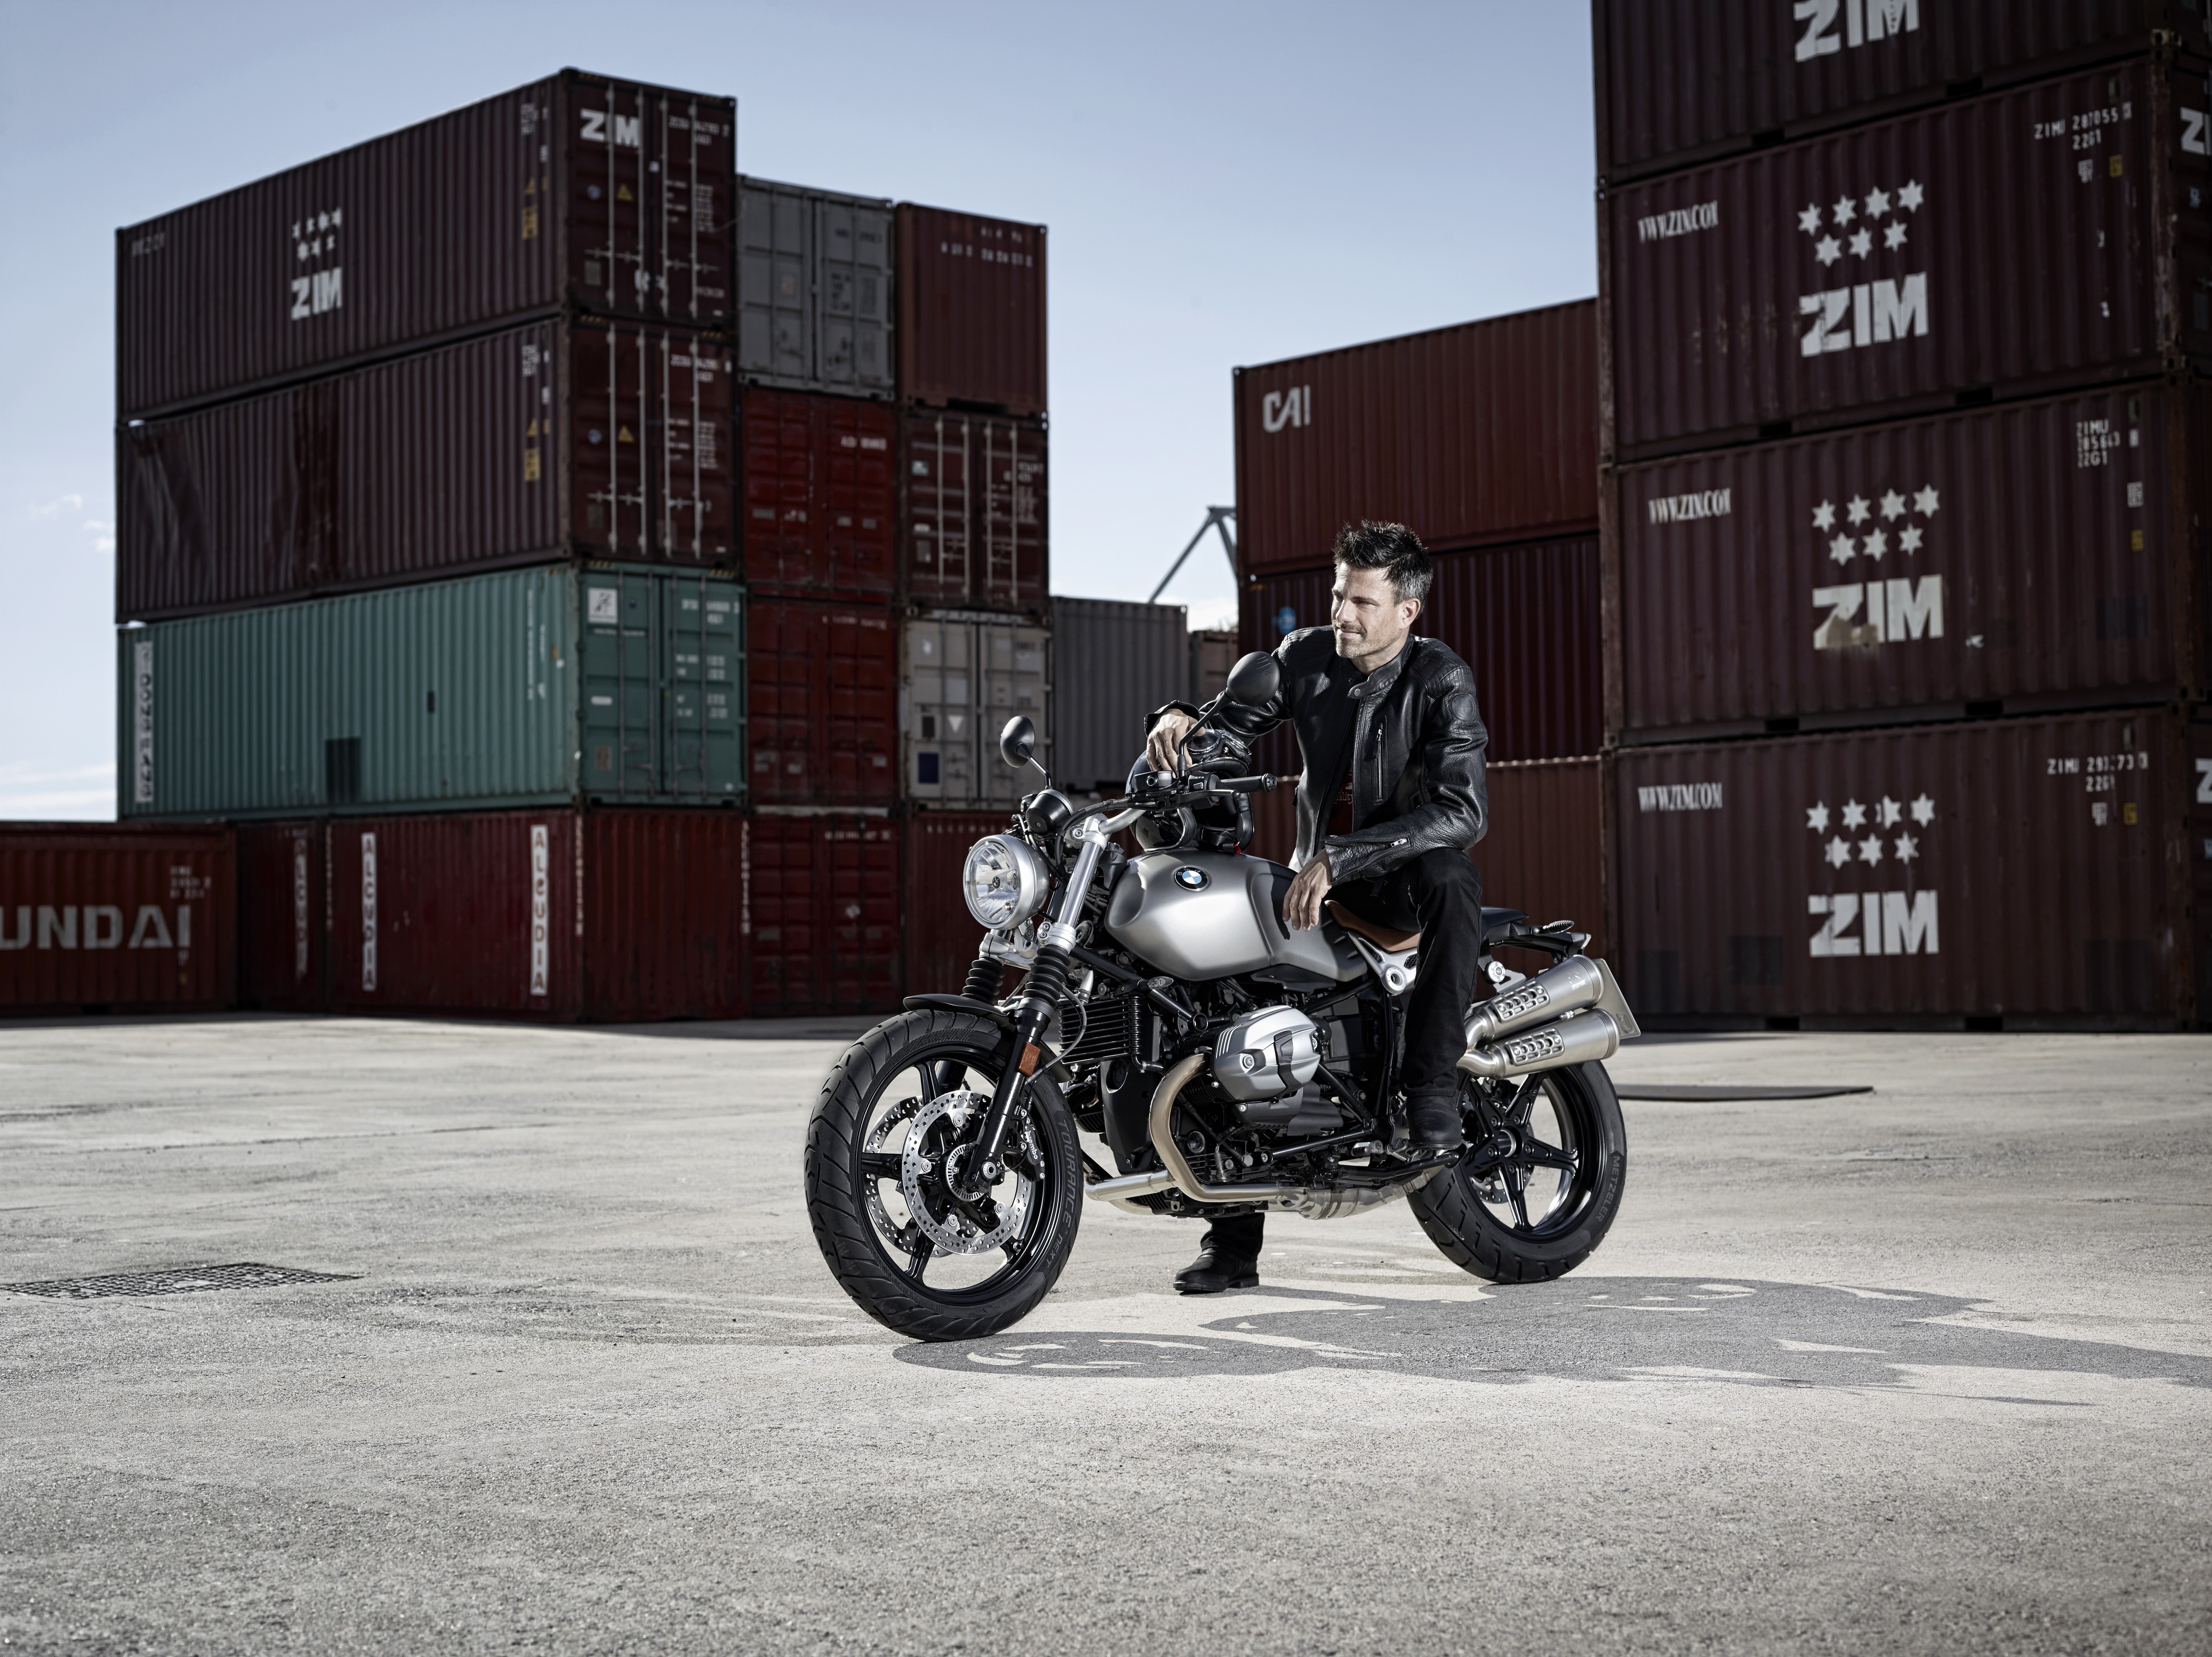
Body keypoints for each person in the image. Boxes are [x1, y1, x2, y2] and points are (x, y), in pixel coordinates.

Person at [1143, 521, 1489, 1294]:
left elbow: (1462, 810)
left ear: (1407, 610)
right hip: (1316, 876)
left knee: (1452, 876)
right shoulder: (1306, 658)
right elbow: (1228, 724)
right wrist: (1180, 724)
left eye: (1362, 601)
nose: (1342, 613)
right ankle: (1232, 1237)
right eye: (1338, 594)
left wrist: (1344, 858)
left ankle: (1433, 1093)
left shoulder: (1441, 679)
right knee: (1221, 989)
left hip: (1394, 876)